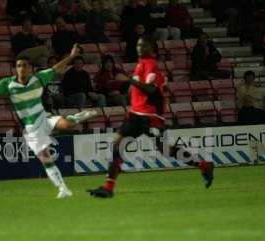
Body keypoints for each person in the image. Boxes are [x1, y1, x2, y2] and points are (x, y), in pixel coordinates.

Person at [0, 45, 97, 198]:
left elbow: (56, 69)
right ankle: (63, 189)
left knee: (67, 124)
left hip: (43, 117)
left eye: (24, 66)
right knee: (46, 158)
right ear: (15, 68)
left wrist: (72, 57)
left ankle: (79, 116)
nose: (21, 69)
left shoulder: (38, 78)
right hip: (30, 128)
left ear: (30, 68)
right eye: (19, 66)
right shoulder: (8, 84)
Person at [88, 37, 214, 198]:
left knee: (164, 150)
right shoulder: (141, 64)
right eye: (138, 44)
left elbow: (151, 90)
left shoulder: (150, 64)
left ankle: (204, 165)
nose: (139, 47)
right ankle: (108, 187)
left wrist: (129, 80)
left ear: (150, 48)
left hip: (150, 116)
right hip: (135, 114)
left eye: (143, 44)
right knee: (116, 146)